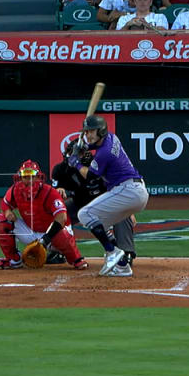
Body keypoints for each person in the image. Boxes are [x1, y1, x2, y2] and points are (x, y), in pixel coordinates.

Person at [71, 115, 148, 277]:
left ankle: (112, 251)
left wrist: (75, 163)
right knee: (99, 224)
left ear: (101, 130)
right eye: (86, 132)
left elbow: (90, 176)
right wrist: (83, 147)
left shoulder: (104, 153)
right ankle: (122, 266)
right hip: (135, 190)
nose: (88, 135)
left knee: (84, 214)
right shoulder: (112, 137)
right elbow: (94, 146)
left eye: (92, 131)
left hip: (127, 189)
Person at [52, 136, 138, 277]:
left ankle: (126, 253)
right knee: (58, 212)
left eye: (83, 153)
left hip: (103, 202)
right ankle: (55, 251)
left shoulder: (97, 165)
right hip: (78, 203)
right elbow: (53, 194)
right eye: (77, 153)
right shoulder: (61, 170)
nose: (81, 156)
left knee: (123, 213)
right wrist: (57, 192)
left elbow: (116, 187)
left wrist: (129, 210)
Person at [0, 160, 89, 271]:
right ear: (20, 178)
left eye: (33, 177)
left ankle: (75, 258)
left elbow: (62, 218)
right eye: (26, 177)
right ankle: (13, 260)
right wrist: (7, 212)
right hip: (31, 231)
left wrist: (46, 239)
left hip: (53, 235)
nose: (30, 181)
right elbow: (5, 203)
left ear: (39, 177)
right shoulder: (15, 190)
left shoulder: (50, 192)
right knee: (1, 220)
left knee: (61, 231)